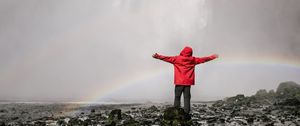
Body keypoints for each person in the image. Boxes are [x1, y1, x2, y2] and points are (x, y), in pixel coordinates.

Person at [152, 46, 218, 113]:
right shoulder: (193, 60)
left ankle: (176, 112)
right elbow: (204, 59)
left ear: (182, 51)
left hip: (179, 82)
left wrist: (157, 56)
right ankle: (187, 112)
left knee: (177, 97)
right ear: (191, 53)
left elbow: (166, 58)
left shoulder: (176, 59)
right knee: (187, 98)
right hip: (188, 83)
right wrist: (213, 56)